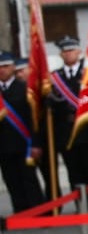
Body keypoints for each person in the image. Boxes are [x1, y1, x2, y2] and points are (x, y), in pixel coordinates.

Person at [46, 35, 88, 208]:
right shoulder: (55, 78)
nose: (68, 54)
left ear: (79, 52)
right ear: (61, 55)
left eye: (71, 50)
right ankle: (81, 207)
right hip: (67, 135)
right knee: (74, 173)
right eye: (65, 51)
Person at [0, 52, 45, 212]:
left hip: (24, 144)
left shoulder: (25, 88)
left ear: (13, 67)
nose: (2, 70)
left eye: (6, 66)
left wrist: (36, 143)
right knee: (11, 181)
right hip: (3, 146)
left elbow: (34, 120)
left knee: (29, 180)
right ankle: (20, 214)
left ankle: (38, 213)